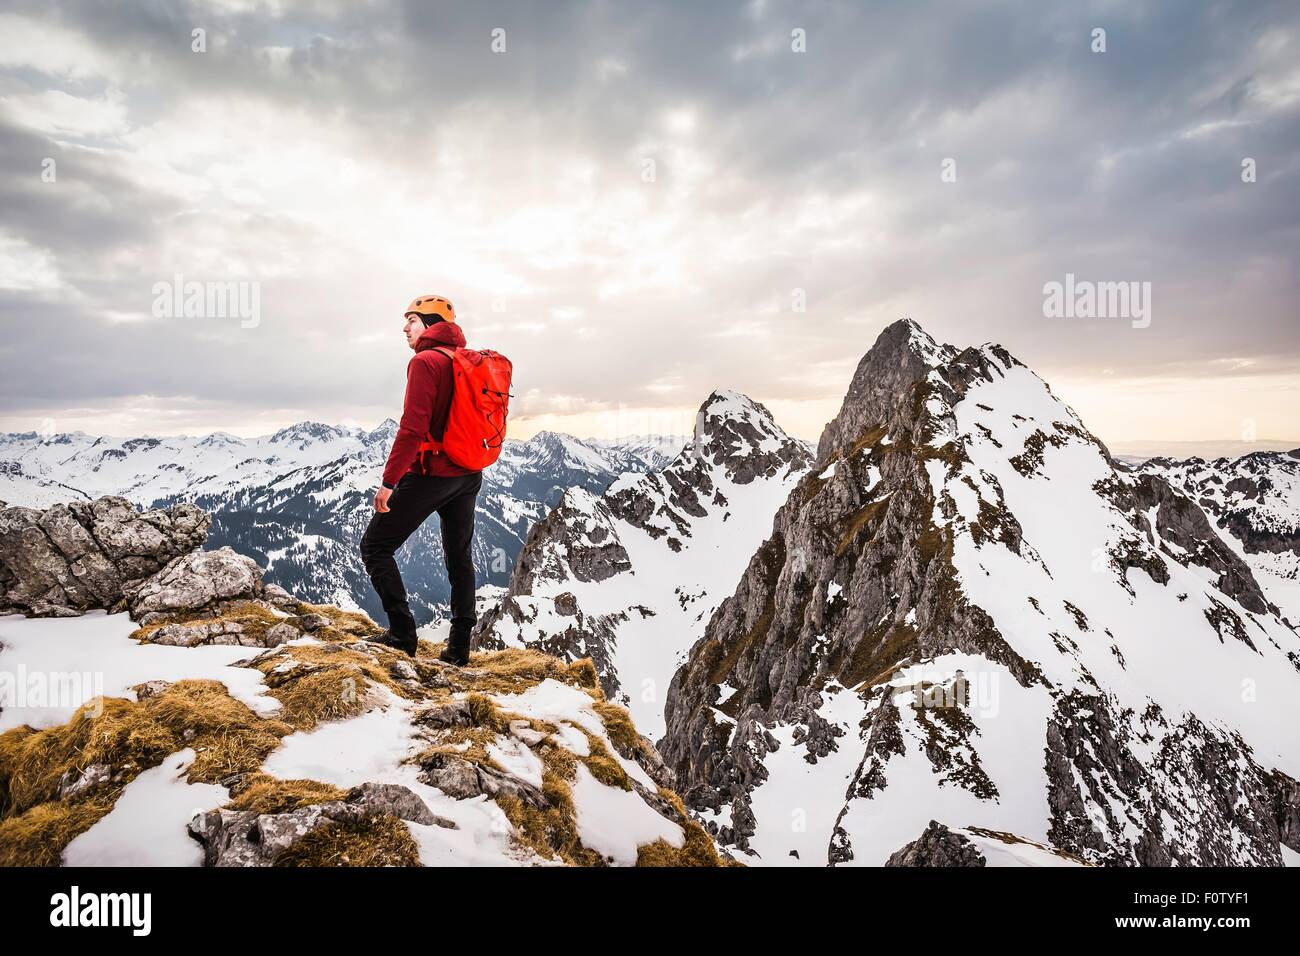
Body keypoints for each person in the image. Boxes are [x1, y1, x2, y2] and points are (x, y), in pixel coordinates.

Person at [359, 295, 482, 664]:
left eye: (411, 320)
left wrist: (389, 482)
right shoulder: (463, 361)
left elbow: (412, 429)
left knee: (375, 546)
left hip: (433, 473)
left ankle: (401, 634)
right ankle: (459, 649)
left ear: (430, 324)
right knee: (459, 558)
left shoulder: (425, 362)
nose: (404, 328)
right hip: (468, 472)